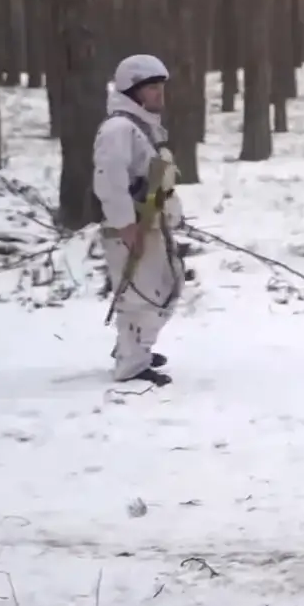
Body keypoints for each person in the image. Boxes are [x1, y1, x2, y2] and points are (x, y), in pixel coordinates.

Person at [93, 53, 187, 386]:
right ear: (132, 90)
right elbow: (109, 177)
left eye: (161, 87)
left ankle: (133, 348)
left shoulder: (142, 127)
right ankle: (132, 365)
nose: (159, 94)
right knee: (141, 297)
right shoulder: (119, 129)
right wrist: (125, 224)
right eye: (151, 88)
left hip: (151, 225)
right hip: (132, 228)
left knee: (167, 287)